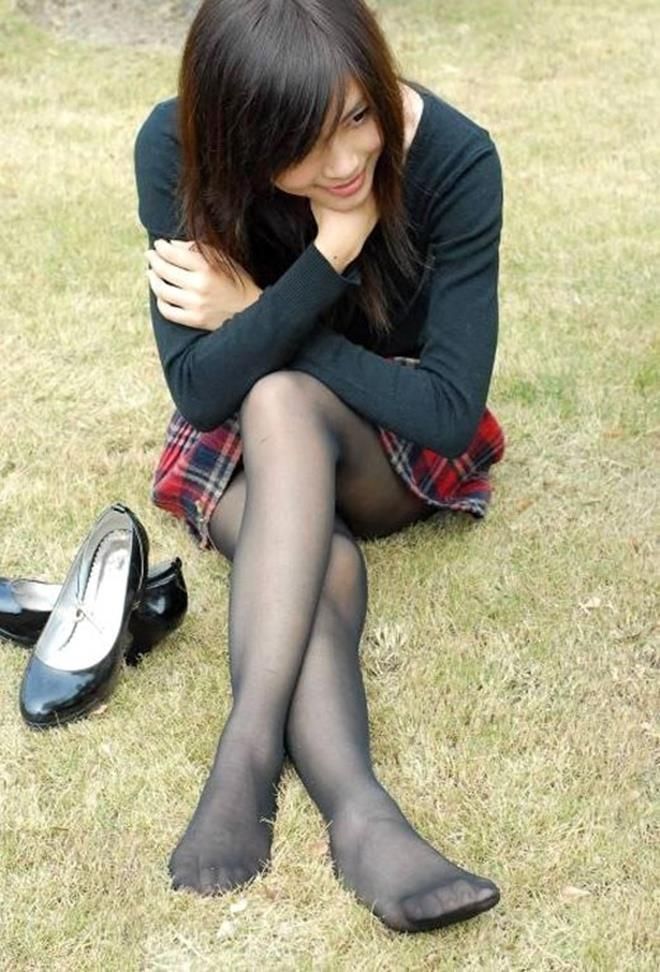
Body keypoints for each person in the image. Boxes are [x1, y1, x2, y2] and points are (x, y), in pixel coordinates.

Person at [134, 0, 505, 934]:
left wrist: (264, 305)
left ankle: (247, 748)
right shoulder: (176, 149)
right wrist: (325, 259)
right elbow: (201, 390)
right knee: (314, 550)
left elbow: (448, 414)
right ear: (241, 136)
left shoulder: (457, 160)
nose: (344, 163)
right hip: (249, 443)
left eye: (358, 115)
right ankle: (362, 815)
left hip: (388, 434)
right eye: (303, 146)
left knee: (281, 398)